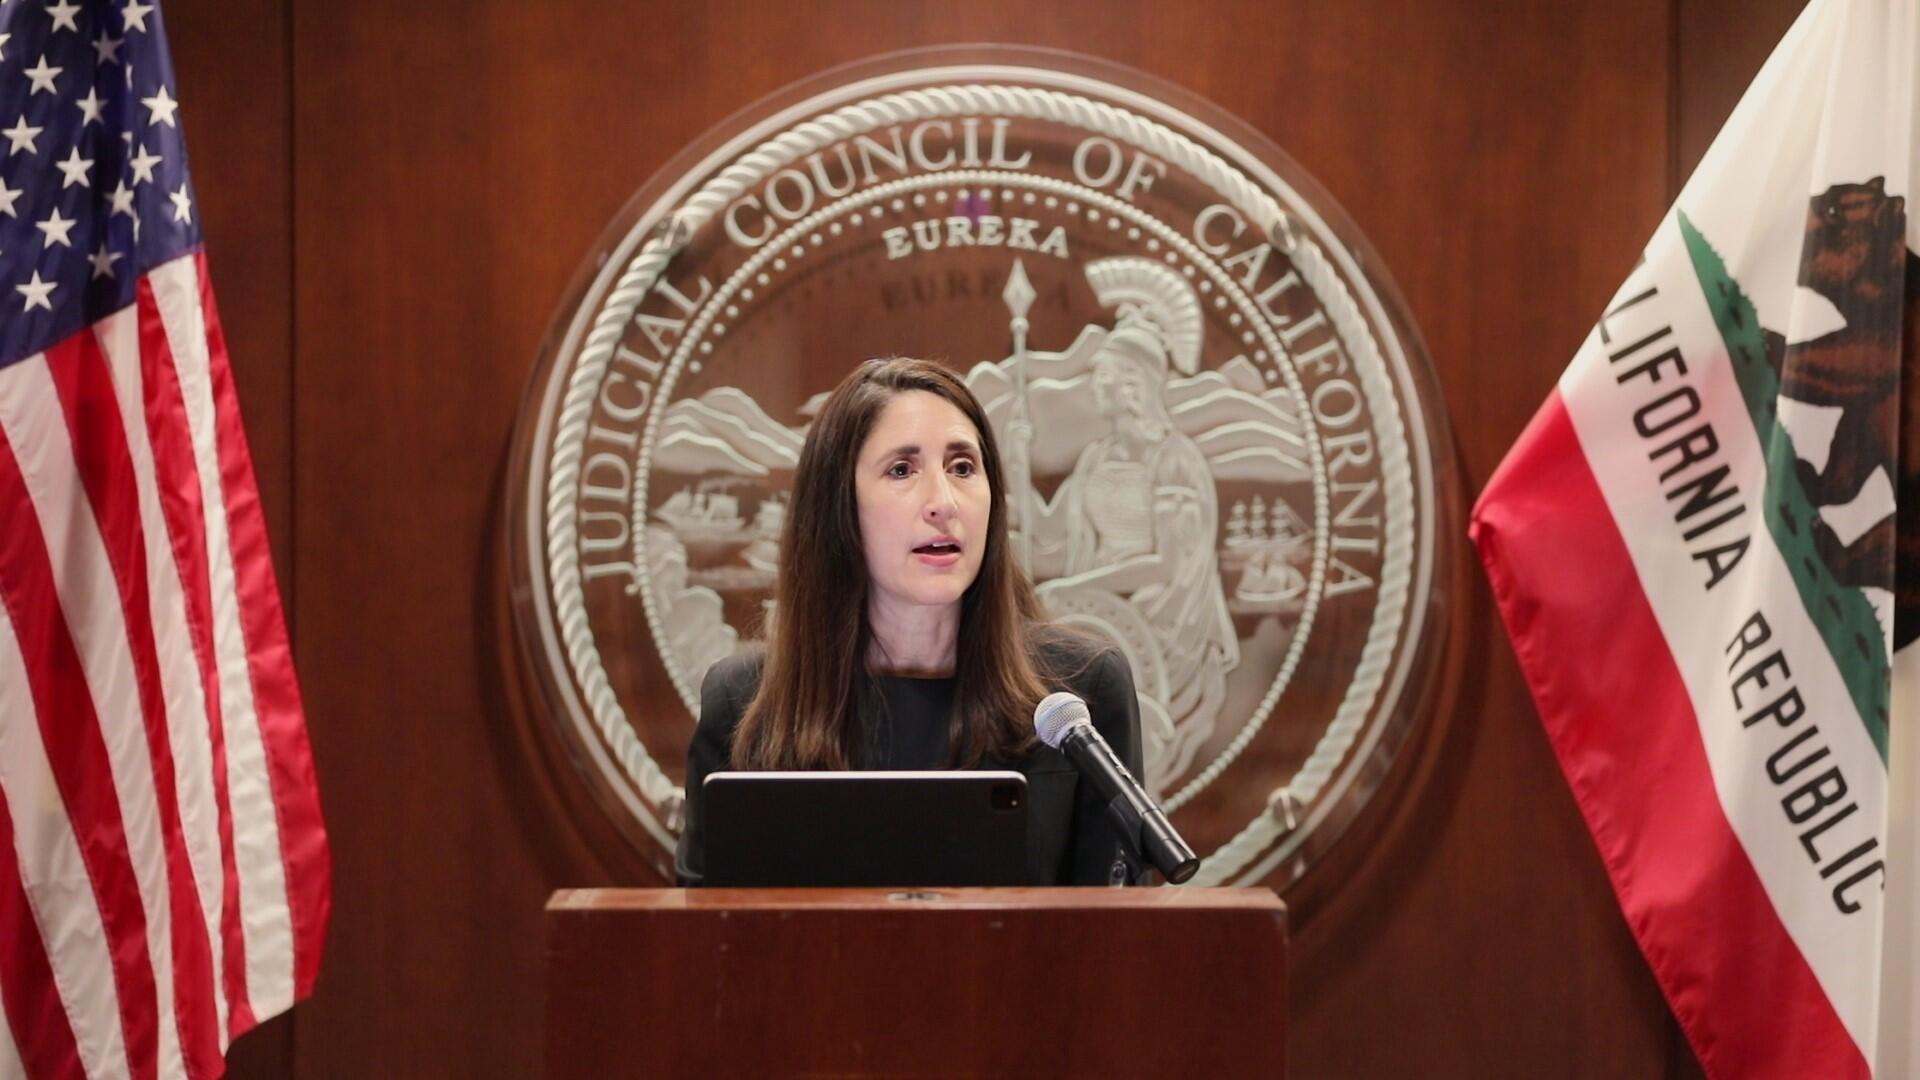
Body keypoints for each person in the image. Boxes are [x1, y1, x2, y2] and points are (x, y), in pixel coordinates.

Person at [674, 356, 1145, 886]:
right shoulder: (742, 701)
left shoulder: (1080, 693)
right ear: (838, 508)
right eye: (902, 470)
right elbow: (707, 942)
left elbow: (1114, 943)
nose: (943, 502)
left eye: (963, 467)